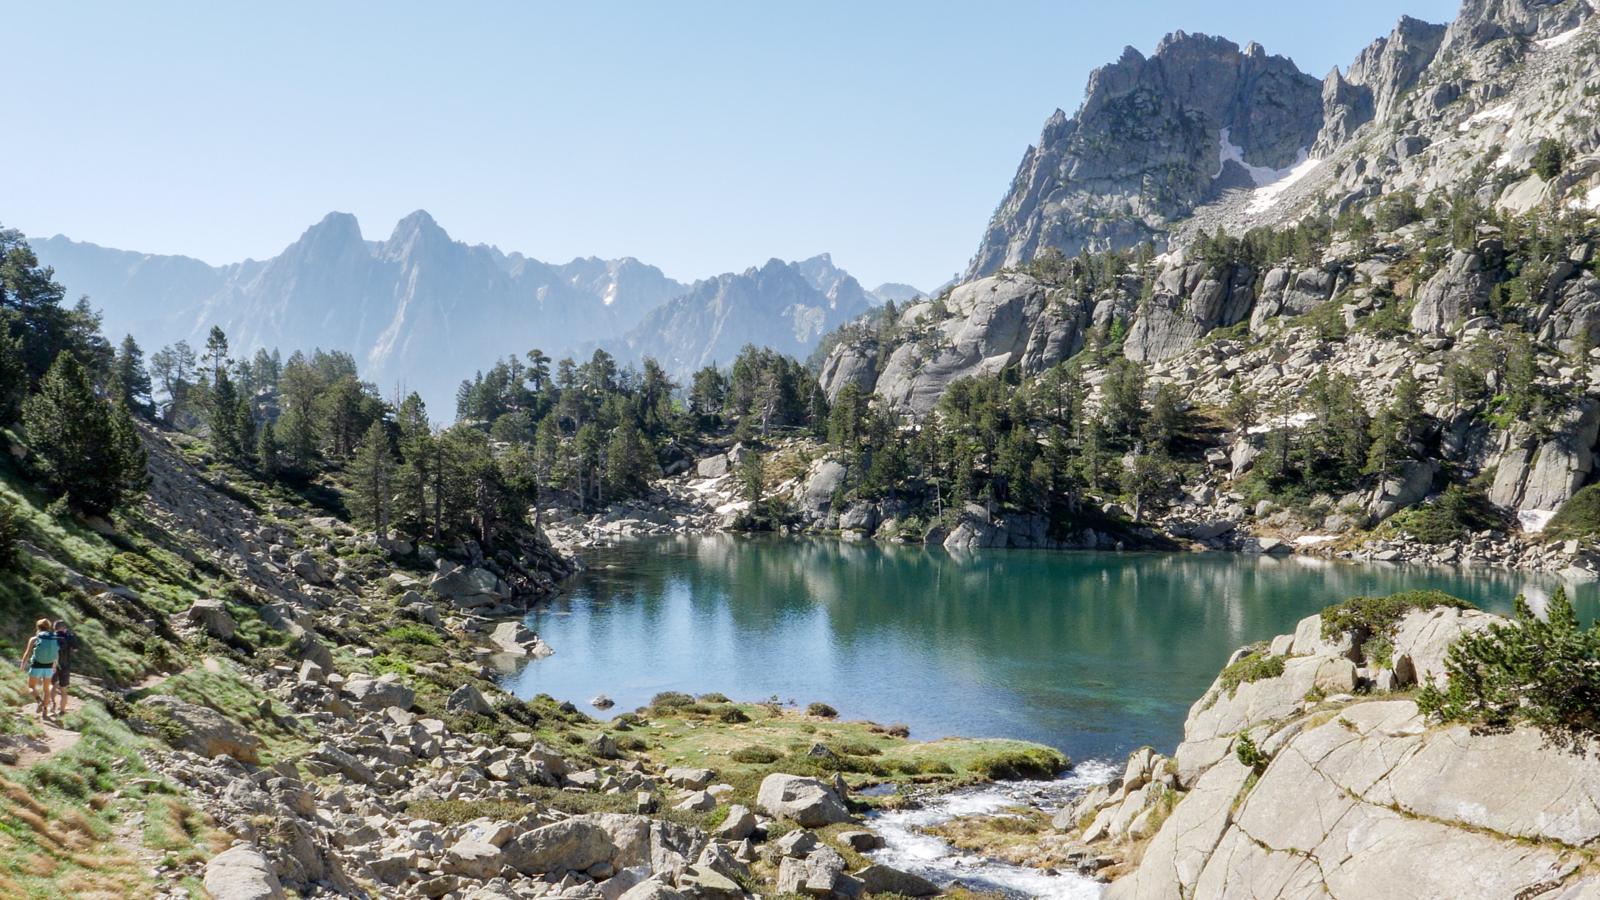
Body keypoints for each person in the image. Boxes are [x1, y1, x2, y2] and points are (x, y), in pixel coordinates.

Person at [20, 618, 58, 719]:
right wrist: (54, 665)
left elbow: (27, 653)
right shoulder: (54, 638)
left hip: (37, 665)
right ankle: (45, 711)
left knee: (31, 687)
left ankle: (39, 701)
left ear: (38, 627)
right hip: (49, 666)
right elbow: (56, 653)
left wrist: (22, 665)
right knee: (47, 689)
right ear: (48, 627)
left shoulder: (34, 639)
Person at [51, 619, 79, 717]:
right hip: (65, 665)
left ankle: (52, 707)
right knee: (63, 689)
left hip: (52, 665)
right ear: (64, 628)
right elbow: (75, 649)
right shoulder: (68, 637)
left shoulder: (51, 636)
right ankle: (62, 711)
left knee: (52, 685)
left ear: (54, 628)